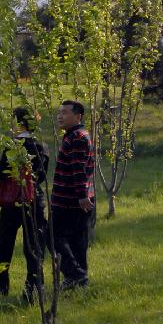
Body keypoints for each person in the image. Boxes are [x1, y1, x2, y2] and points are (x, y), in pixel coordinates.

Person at [0, 107, 49, 304]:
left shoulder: (13, 146)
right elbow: (42, 177)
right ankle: (34, 291)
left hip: (12, 203)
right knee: (34, 247)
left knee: (4, 244)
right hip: (34, 201)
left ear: (18, 123)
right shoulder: (42, 147)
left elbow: (0, 174)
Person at [51, 100, 95, 291]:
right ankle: (80, 282)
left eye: (65, 113)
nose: (60, 116)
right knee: (78, 242)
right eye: (59, 112)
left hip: (69, 201)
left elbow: (78, 170)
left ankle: (75, 274)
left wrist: (82, 196)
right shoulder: (74, 135)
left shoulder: (77, 137)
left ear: (78, 116)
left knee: (52, 237)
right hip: (76, 199)